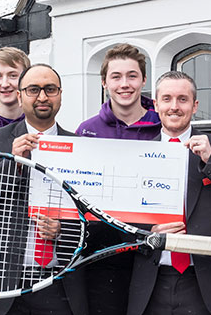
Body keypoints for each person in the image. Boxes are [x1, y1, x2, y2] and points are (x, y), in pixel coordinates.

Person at [0, 63, 87, 315]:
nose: (42, 97)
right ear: (19, 96)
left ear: (60, 95)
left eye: (50, 89)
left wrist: (62, 230)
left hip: (57, 284)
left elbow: (93, 218)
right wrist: (12, 163)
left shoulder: (81, 147)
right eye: (33, 90)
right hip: (1, 286)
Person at [129, 71, 211, 315]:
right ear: (156, 105)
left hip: (206, 282)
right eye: (166, 99)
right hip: (153, 281)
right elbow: (122, 218)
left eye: (182, 99)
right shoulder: (137, 152)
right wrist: (148, 231)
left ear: (195, 105)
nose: (174, 107)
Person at [75, 44, 161, 314]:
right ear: (104, 82)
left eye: (132, 76)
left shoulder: (163, 128)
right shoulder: (87, 131)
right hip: (103, 255)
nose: (125, 84)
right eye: (116, 76)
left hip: (152, 254)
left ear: (144, 80)